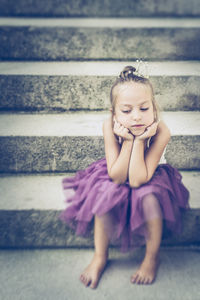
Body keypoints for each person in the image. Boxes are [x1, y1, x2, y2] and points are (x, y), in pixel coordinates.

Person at [60, 65, 189, 288]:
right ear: (114, 113)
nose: (137, 117)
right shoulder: (108, 126)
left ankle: (152, 256)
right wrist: (128, 141)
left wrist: (139, 140)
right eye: (127, 111)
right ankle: (100, 256)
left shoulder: (161, 130)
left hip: (150, 174)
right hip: (117, 170)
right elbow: (118, 177)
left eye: (144, 108)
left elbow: (139, 179)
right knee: (105, 193)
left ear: (154, 109)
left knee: (149, 198)